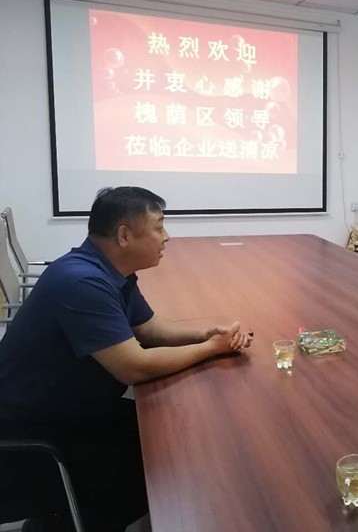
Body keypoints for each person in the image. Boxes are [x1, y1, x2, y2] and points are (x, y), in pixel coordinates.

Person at [0, 187, 254, 531]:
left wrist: (207, 333)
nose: (166, 237)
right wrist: (212, 349)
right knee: (160, 470)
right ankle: (62, 521)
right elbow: (134, 366)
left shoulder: (107, 271)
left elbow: (149, 329)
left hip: (70, 409)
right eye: (159, 227)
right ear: (124, 235)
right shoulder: (82, 282)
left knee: (174, 440)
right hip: (30, 433)